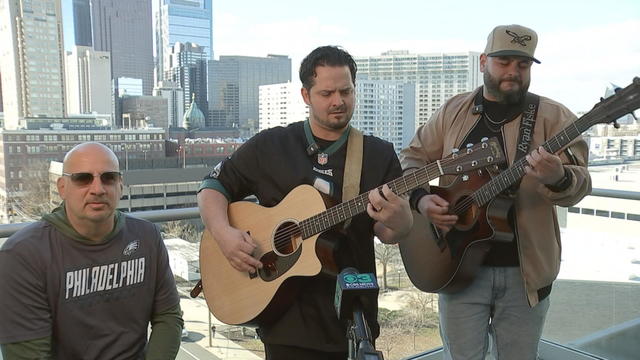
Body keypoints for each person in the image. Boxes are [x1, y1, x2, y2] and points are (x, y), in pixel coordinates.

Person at [197, 45, 413, 359]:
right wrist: (223, 234)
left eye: (346, 91)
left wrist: (403, 219)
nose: (338, 101)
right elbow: (212, 186)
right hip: (283, 320)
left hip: (351, 318)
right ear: (305, 96)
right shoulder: (271, 145)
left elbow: (390, 234)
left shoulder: (378, 154)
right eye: (326, 93)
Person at [400, 24, 592, 359]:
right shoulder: (453, 111)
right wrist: (421, 199)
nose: (513, 72)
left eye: (523, 65)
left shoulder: (554, 117)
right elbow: (413, 157)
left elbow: (581, 184)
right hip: (456, 266)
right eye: (504, 62)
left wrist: (559, 176)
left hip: (525, 276)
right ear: (484, 62)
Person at [0, 142, 183, 360]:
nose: (97, 189)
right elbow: (29, 354)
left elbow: (169, 316)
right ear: (62, 187)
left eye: (109, 178)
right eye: (82, 178)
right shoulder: (23, 255)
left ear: (120, 186)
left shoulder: (147, 237)